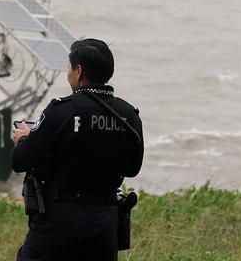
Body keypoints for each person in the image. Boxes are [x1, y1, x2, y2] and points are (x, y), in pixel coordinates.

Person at [10, 38, 144, 261]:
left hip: (58, 221)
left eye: (69, 68)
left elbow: (20, 161)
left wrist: (23, 139)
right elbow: (132, 169)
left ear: (78, 70)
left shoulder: (61, 110)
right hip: (105, 223)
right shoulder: (129, 115)